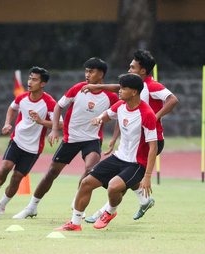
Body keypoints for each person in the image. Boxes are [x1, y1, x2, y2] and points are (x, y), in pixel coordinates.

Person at [12, 58, 119, 219]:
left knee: (91, 169)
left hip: (92, 139)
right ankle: (31, 207)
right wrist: (54, 129)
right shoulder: (77, 89)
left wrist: (114, 139)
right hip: (71, 139)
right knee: (51, 173)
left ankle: (77, 200)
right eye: (86, 71)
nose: (87, 74)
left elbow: (119, 113)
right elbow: (58, 106)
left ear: (101, 74)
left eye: (91, 71)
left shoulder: (111, 96)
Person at [82, 49, 179, 222]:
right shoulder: (132, 88)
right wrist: (97, 87)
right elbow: (119, 88)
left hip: (149, 140)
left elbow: (173, 100)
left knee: (124, 176)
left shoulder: (152, 86)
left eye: (132, 67)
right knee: (127, 173)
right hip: (135, 139)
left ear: (142, 71)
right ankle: (144, 200)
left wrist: (155, 118)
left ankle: (104, 212)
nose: (129, 70)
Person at [54, 73, 158, 231]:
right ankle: (75, 223)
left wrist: (148, 176)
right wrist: (99, 118)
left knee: (113, 187)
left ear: (134, 92)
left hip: (137, 163)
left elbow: (153, 147)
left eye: (123, 88)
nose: (119, 91)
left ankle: (110, 211)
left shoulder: (147, 114)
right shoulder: (120, 106)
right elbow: (108, 115)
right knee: (86, 183)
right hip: (119, 157)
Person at [0, 67, 60, 214]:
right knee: (6, 166)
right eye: (30, 78)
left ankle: (2, 204)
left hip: (33, 148)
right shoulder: (22, 97)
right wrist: (7, 123)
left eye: (34, 79)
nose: (30, 82)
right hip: (17, 140)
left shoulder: (49, 102)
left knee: (17, 177)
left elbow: (60, 124)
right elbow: (12, 108)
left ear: (42, 83)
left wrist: (41, 121)